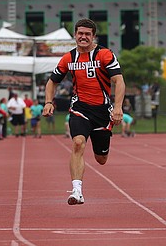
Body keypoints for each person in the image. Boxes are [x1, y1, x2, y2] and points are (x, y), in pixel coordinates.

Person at [43, 18, 125, 205]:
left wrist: (118, 106)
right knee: (78, 143)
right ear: (75, 35)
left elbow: (119, 81)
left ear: (93, 36)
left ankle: (101, 148)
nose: (83, 37)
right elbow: (52, 81)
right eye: (80, 33)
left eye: (87, 34)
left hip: (103, 112)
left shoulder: (104, 55)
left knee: (101, 158)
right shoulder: (68, 58)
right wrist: (49, 102)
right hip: (80, 109)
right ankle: (77, 191)